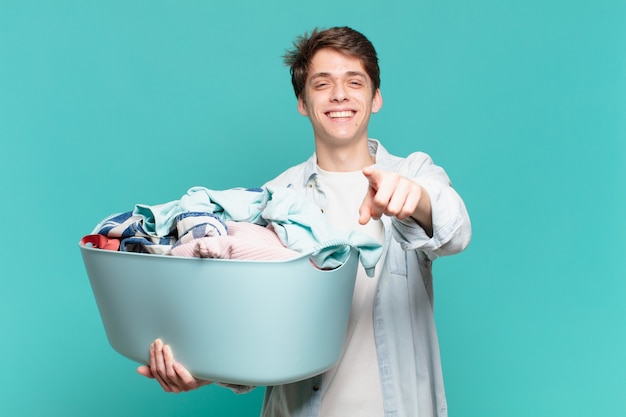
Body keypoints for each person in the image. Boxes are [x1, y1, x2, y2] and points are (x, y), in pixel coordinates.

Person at [137, 26, 471, 417]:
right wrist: (205, 370)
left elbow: (455, 230)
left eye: (355, 82)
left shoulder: (413, 173)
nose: (340, 95)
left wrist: (416, 199)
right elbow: (253, 324)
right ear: (302, 101)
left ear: (376, 97)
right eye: (322, 83)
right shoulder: (274, 199)